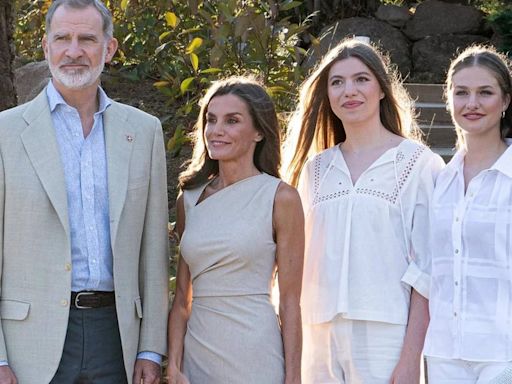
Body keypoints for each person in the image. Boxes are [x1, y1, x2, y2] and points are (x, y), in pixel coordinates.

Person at [0, 0, 169, 383]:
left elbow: (154, 248)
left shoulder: (143, 132)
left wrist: (150, 347)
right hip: (29, 343)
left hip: (118, 337)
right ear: (46, 47)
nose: (73, 51)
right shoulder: (4, 134)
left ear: (108, 49)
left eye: (87, 39)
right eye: (62, 38)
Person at [283, 38, 444, 383]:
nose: (349, 91)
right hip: (318, 336)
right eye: (337, 82)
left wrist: (411, 358)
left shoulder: (419, 163)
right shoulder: (315, 169)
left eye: (361, 79)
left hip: (387, 335)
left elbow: (427, 270)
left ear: (382, 89)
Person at [166, 76, 304, 384]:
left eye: (232, 121)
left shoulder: (281, 197)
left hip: (255, 352)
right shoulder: (189, 199)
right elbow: (181, 300)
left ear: (258, 132)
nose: (216, 131)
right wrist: (173, 365)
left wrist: (293, 377)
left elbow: (291, 301)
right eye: (211, 120)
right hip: (198, 354)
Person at [424, 45, 512, 383]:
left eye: (485, 92)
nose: (472, 103)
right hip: (445, 353)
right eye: (461, 93)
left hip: (503, 353)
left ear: (505, 101)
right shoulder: (439, 180)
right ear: (449, 99)